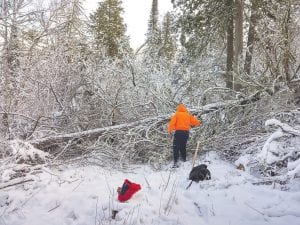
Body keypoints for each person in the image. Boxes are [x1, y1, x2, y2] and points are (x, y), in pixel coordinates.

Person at [168, 103, 201, 168]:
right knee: (183, 146)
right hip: (186, 133)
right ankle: (184, 159)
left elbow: (172, 123)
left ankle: (176, 162)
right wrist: (199, 123)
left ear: (178, 109)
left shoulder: (177, 114)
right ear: (185, 109)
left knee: (176, 147)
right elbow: (196, 122)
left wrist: (170, 130)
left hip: (178, 132)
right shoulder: (188, 115)